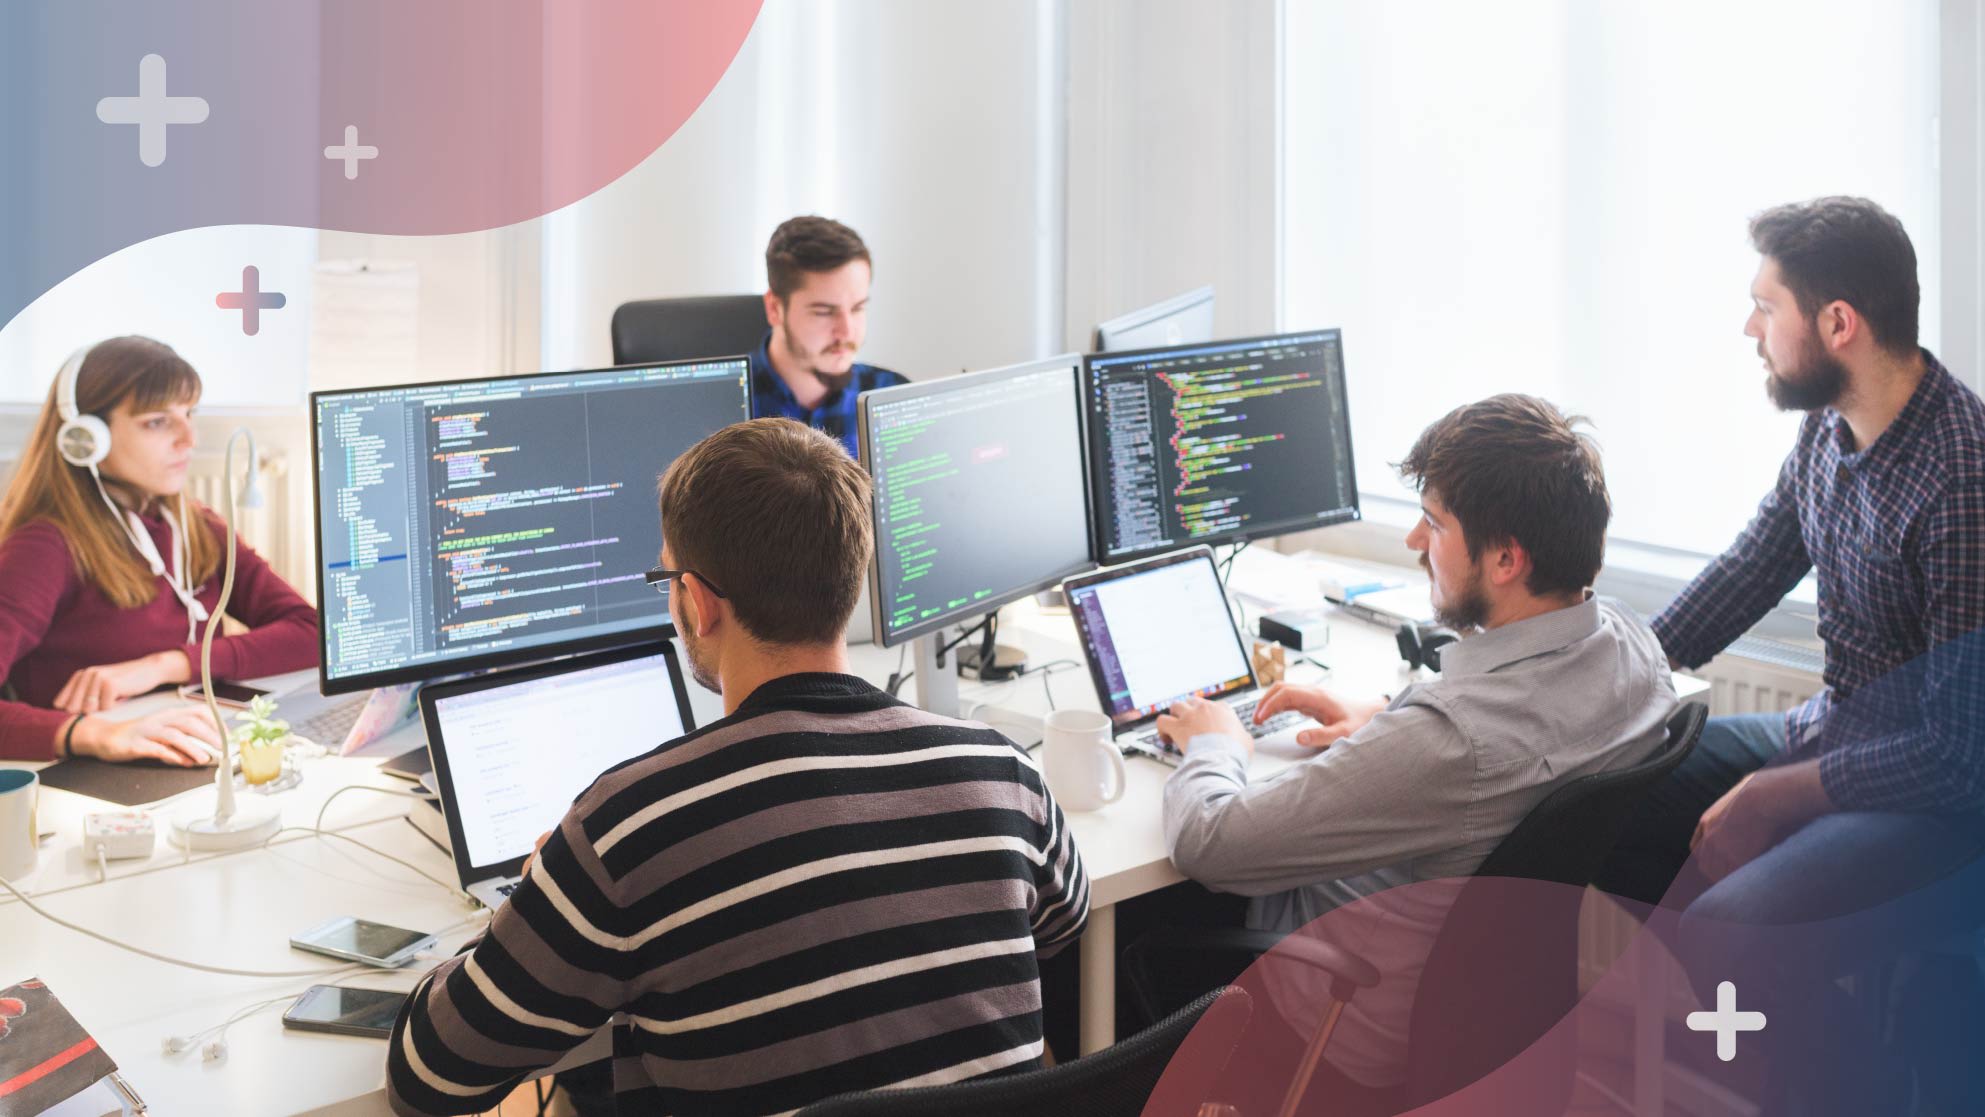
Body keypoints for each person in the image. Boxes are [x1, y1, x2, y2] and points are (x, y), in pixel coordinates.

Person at [386, 419, 1089, 1117]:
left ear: (697, 601)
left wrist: (540, 899)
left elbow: (430, 1074)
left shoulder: (629, 829)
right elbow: (1066, 922)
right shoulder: (1000, 769)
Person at [1150, 394, 1675, 1101]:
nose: (1412, 541)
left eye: (1433, 522)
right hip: (1485, 1013)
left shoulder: (1448, 740)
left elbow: (1208, 843)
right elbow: (1505, 758)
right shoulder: (1631, 646)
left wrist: (1216, 743)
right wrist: (1383, 721)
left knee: (1122, 919)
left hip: (1339, 1013)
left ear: (1505, 558)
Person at [1590, 197, 1985, 1112]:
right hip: (1837, 736)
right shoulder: (1828, 424)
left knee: (1730, 933)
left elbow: (1959, 752)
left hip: (1941, 801)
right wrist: (1605, 689)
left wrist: (1775, 794)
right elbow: (1745, 572)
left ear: (1837, 323)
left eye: (1765, 306)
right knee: (1601, 806)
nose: (1748, 327)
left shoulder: (1961, 481)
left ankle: (1862, 1083)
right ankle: (1825, 1058)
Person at [0, 336, 319, 764]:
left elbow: (312, 632)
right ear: (85, 437)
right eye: (157, 422)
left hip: (191, 744)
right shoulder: (44, 547)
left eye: (189, 414)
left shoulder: (197, 526)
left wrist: (164, 665)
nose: (189, 439)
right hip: (88, 773)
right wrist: (94, 734)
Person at [751, 216, 906, 456]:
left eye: (857, 308)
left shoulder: (893, 396)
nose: (846, 331)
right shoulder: (725, 403)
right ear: (774, 309)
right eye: (824, 312)